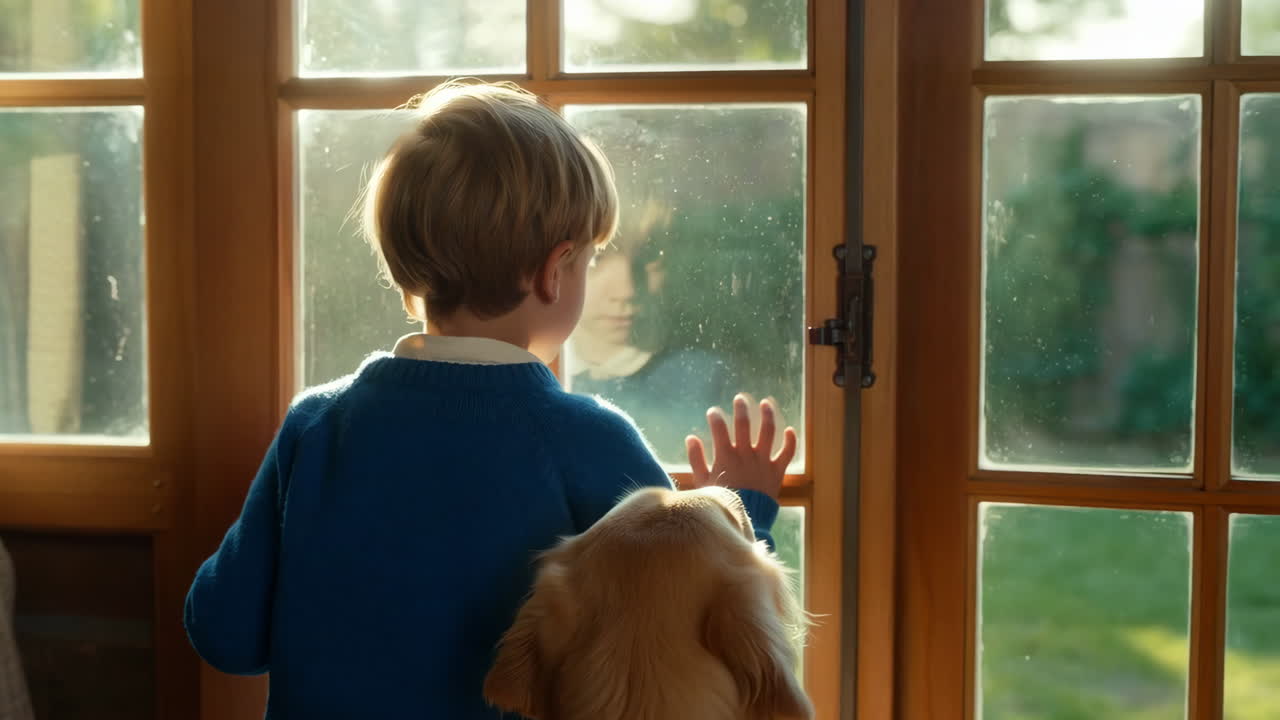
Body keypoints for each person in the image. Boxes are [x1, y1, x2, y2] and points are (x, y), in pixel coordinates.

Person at [183, 80, 797, 719]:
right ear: (553, 272)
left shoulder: (316, 424)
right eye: (589, 261)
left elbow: (223, 632)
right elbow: (686, 643)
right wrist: (739, 508)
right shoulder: (587, 442)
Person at [566, 199, 734, 464]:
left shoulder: (708, 381)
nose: (627, 290)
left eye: (650, 257)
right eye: (598, 258)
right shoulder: (538, 377)